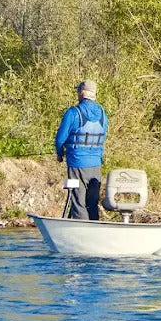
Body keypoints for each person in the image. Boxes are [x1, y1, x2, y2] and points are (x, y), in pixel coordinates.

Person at [54, 79, 108, 220]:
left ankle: (81, 232)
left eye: (78, 91)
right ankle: (95, 229)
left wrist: (60, 154)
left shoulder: (73, 112)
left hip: (77, 163)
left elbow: (60, 138)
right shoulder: (102, 113)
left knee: (78, 201)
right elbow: (103, 135)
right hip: (96, 164)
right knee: (92, 201)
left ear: (81, 93)